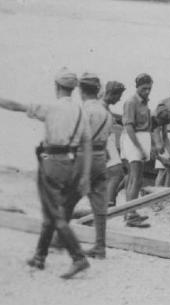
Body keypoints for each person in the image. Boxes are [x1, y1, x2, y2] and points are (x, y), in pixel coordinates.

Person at [0, 68, 91, 278]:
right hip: (71, 164)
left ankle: (78, 257)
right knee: (51, 212)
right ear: (73, 89)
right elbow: (86, 143)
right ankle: (39, 257)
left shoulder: (51, 108)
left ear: (57, 87)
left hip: (50, 162)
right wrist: (85, 175)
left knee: (55, 213)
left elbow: (16, 106)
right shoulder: (80, 112)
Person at [64, 73, 112, 259]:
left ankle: (61, 238)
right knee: (99, 204)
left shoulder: (84, 111)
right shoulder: (106, 113)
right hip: (101, 158)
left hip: (85, 157)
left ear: (81, 91)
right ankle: (100, 246)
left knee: (68, 198)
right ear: (97, 90)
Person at [120, 73, 155, 227]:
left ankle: (129, 211)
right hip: (134, 140)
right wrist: (139, 148)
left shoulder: (144, 102)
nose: (147, 91)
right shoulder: (131, 102)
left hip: (142, 139)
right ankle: (130, 214)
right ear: (137, 87)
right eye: (144, 88)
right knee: (135, 178)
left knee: (137, 178)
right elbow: (128, 127)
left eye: (149, 88)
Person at [103, 81, 127, 207]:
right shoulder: (100, 106)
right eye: (119, 96)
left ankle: (109, 201)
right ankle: (109, 203)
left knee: (116, 174)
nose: (119, 99)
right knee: (117, 173)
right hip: (102, 143)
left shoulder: (105, 107)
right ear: (113, 94)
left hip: (107, 142)